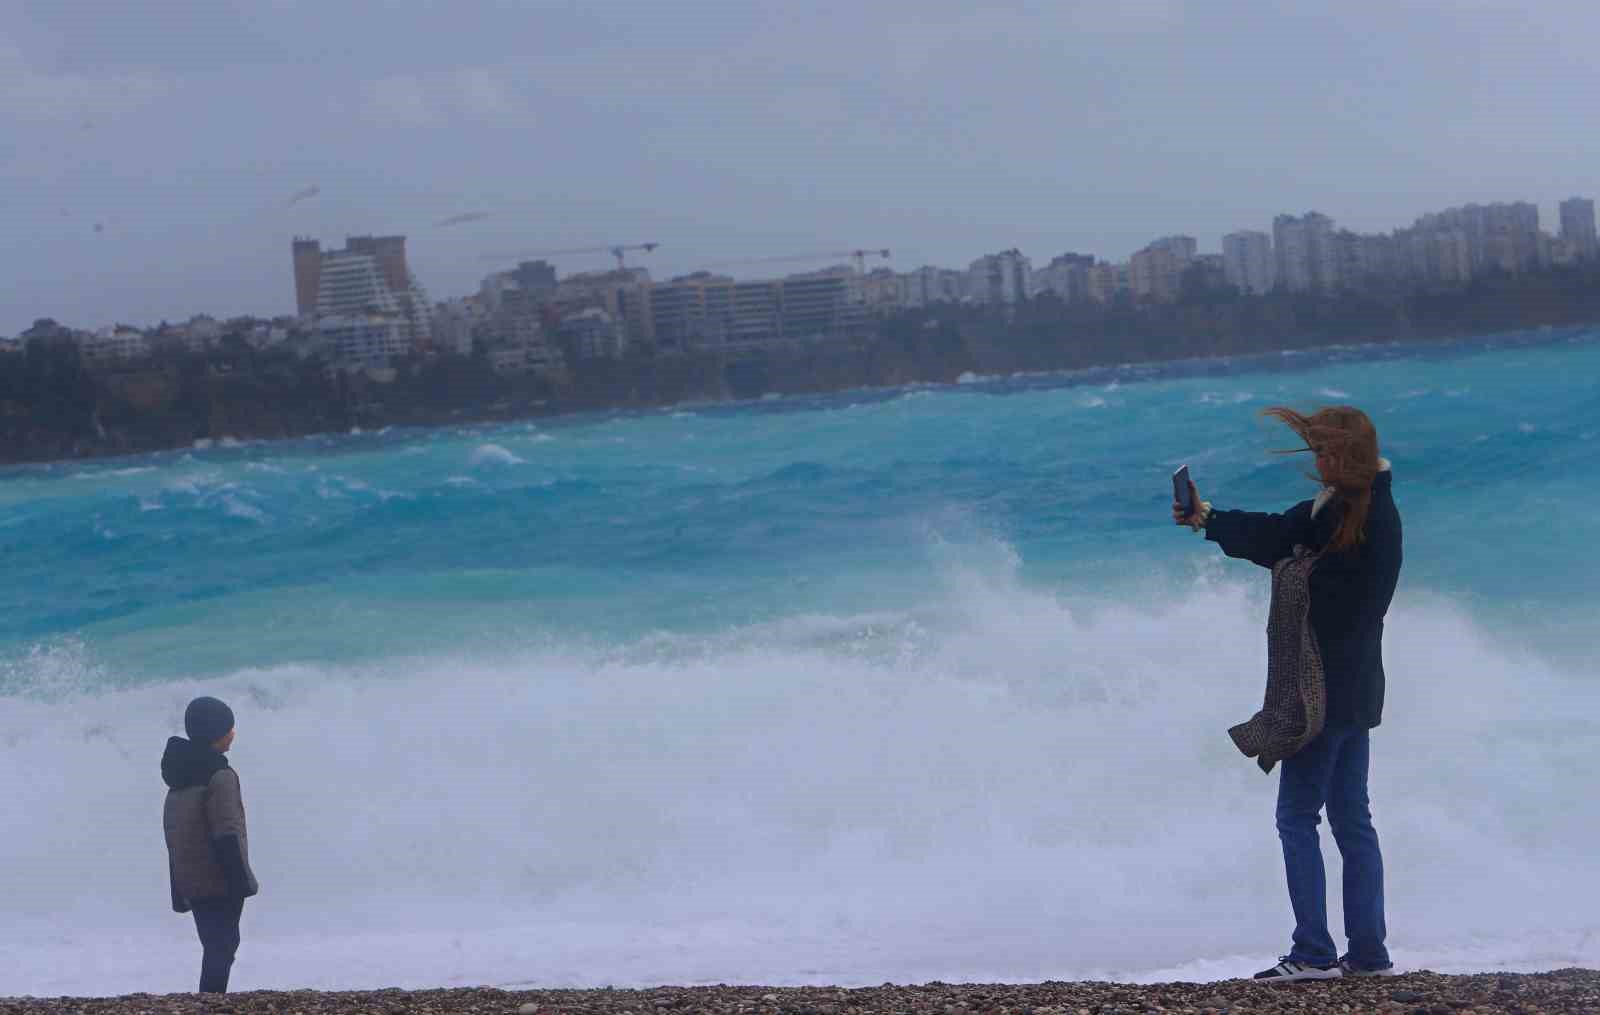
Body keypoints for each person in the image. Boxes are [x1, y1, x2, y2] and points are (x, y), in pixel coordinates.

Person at [1173, 406, 1401, 983]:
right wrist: (1208, 517)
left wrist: (1298, 570)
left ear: (1349, 455)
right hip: (1355, 691)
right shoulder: (1339, 506)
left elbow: (1352, 601)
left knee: (1298, 817)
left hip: (1321, 694)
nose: (1318, 462)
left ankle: (1313, 954)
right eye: (1316, 451)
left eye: (1326, 452)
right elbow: (1281, 534)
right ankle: (1368, 956)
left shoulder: (1369, 516)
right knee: (1352, 819)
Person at [161, 695, 259, 993]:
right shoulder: (221, 776)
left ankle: (208, 1001)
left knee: (214, 944)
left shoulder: (178, 781)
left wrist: (179, 888)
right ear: (216, 733)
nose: (233, 733)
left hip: (192, 880)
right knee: (224, 944)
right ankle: (211, 1002)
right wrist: (241, 881)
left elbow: (175, 837)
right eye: (229, 727)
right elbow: (227, 832)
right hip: (221, 878)